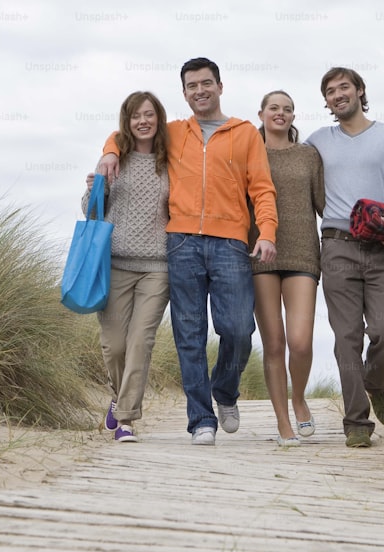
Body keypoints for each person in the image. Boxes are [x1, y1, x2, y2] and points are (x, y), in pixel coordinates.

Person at [96, 57, 278, 446]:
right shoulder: (174, 132)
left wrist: (267, 232)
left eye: (206, 83)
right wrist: (109, 151)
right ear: (184, 93)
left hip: (231, 242)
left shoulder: (245, 133)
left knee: (238, 329)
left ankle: (226, 390)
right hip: (180, 242)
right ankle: (200, 419)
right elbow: (128, 129)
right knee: (189, 335)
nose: (200, 90)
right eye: (192, 85)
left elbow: (262, 189)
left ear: (220, 86)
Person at [305, 67, 384, 448]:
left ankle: (375, 382)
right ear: (325, 101)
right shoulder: (317, 142)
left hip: (382, 244)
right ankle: (356, 422)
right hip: (337, 246)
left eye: (344, 87)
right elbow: (285, 168)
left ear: (360, 90)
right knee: (346, 338)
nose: (338, 94)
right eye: (330, 91)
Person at [83, 91, 171, 443]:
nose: (143, 121)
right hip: (115, 264)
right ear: (127, 121)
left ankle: (127, 419)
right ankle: (119, 397)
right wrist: (94, 191)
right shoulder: (113, 160)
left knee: (140, 342)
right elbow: (91, 214)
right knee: (115, 345)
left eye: (149, 114)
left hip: (158, 266)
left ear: (158, 118)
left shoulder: (171, 162)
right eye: (136, 116)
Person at [249, 91, 325, 447]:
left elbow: (326, 203)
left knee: (301, 342)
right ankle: (283, 423)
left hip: (303, 253)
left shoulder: (309, 156)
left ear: (294, 116)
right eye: (274, 108)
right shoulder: (248, 152)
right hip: (260, 254)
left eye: (288, 109)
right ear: (261, 113)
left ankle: (299, 398)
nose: (281, 113)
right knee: (275, 344)